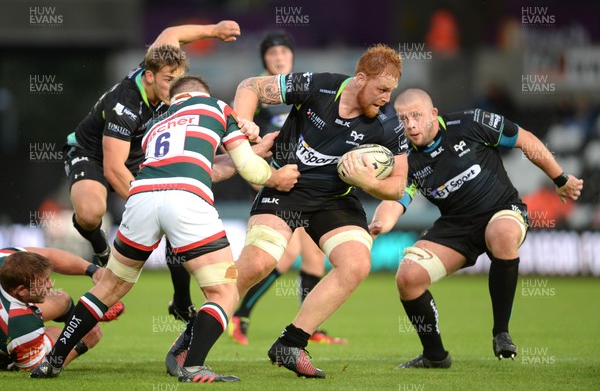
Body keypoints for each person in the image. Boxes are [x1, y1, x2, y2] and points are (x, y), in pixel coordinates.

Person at [30, 76, 299, 382]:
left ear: (173, 99)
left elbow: (202, 166)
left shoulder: (155, 124)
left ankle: (53, 360)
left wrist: (254, 151)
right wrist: (275, 176)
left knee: (108, 289)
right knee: (223, 291)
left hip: (141, 198)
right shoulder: (217, 107)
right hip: (186, 200)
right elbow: (249, 170)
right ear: (204, 93)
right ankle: (195, 365)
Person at [369, 88, 584, 369]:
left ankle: (501, 333)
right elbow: (395, 201)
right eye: (403, 118)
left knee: (502, 234)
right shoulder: (406, 160)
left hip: (501, 210)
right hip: (455, 226)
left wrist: (560, 177)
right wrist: (377, 224)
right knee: (408, 278)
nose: (410, 124)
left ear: (433, 114)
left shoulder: (471, 123)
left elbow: (525, 139)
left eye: (416, 115)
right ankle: (435, 355)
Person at [228, 44, 407, 378]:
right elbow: (249, 87)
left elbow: (398, 185)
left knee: (356, 263)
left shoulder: (388, 123)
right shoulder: (318, 86)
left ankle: (291, 343)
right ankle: (194, 335)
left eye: (391, 91)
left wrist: (368, 181)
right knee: (257, 263)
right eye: (381, 89)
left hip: (335, 197)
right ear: (359, 79)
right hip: (287, 184)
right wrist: (243, 124)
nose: (386, 98)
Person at [62, 20, 242, 324]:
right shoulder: (126, 104)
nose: (175, 87)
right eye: (169, 80)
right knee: (91, 213)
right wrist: (148, 207)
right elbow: (113, 168)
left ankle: (181, 300)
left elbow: (172, 34)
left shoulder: (163, 65)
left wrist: (215, 30)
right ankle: (102, 251)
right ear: (149, 77)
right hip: (93, 152)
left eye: (179, 79)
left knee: (173, 215)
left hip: (139, 153)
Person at [228, 30, 347, 346]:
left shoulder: (300, 90)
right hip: (274, 179)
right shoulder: (257, 93)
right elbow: (235, 137)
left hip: (305, 182)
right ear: (264, 59)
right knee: (285, 253)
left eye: (284, 52)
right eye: (272, 53)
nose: (279, 57)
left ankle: (312, 328)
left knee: (313, 261)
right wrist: (259, 179)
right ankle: (239, 314)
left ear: (292, 56)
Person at [0, 247, 123, 371]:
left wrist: (93, 271)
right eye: (44, 282)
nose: (51, 285)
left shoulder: (6, 257)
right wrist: (81, 344)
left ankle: (78, 321)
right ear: (21, 290)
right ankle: (7, 361)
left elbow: (49, 255)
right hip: (13, 327)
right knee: (57, 335)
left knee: (60, 299)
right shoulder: (19, 323)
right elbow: (40, 368)